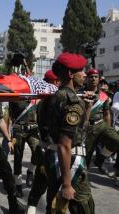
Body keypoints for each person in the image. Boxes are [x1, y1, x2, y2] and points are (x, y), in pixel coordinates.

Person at [39, 52, 94, 214]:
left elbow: (79, 128)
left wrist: (88, 106)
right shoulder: (72, 102)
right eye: (81, 71)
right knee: (84, 207)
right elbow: (65, 144)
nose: (85, 74)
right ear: (70, 74)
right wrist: (68, 184)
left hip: (53, 160)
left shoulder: (52, 97)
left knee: (55, 206)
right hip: (69, 163)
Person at [26, 70, 60, 214]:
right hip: (52, 152)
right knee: (50, 188)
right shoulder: (52, 101)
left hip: (45, 149)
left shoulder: (43, 101)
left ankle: (31, 210)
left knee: (39, 186)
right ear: (56, 82)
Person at [83, 69, 119, 176]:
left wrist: (108, 130)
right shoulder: (80, 93)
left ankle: (99, 159)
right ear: (86, 79)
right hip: (87, 127)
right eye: (91, 77)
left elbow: (106, 114)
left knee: (116, 141)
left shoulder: (104, 96)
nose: (93, 79)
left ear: (99, 79)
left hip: (101, 124)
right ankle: (82, 178)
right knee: (86, 158)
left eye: (96, 77)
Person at [9, 97, 39, 197]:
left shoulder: (36, 94)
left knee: (38, 152)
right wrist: (10, 135)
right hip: (18, 131)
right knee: (18, 159)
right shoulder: (15, 96)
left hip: (33, 130)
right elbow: (10, 116)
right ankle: (18, 186)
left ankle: (30, 171)